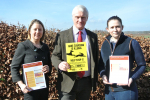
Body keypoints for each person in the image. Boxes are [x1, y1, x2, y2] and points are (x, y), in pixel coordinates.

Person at [51, 5, 98, 100]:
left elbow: (96, 58)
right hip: (67, 82)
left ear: (87, 18)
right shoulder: (62, 35)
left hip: (86, 83)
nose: (80, 20)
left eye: (83, 17)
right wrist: (59, 64)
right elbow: (54, 56)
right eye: (77, 17)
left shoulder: (93, 37)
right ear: (72, 17)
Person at [98, 16, 146, 100]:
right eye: (112, 27)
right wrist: (103, 75)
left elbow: (142, 65)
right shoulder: (104, 44)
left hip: (126, 91)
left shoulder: (132, 43)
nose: (115, 30)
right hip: (109, 91)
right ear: (107, 29)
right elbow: (101, 65)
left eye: (117, 27)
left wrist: (132, 78)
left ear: (122, 27)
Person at [11, 19, 52, 100]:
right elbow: (14, 67)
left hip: (44, 89)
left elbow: (49, 65)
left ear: (43, 31)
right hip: (30, 90)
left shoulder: (45, 47)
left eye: (40, 29)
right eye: (35, 29)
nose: (37, 32)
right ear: (30, 31)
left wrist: (48, 68)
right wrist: (21, 85)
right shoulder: (23, 46)